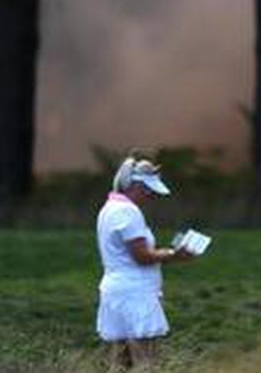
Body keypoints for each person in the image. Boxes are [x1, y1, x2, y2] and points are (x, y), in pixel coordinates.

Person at [96, 154, 195, 369]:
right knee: (146, 362)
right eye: (148, 190)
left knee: (120, 361)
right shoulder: (128, 212)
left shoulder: (108, 208)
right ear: (136, 186)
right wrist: (174, 254)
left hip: (116, 292)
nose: (151, 196)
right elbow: (142, 256)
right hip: (135, 294)